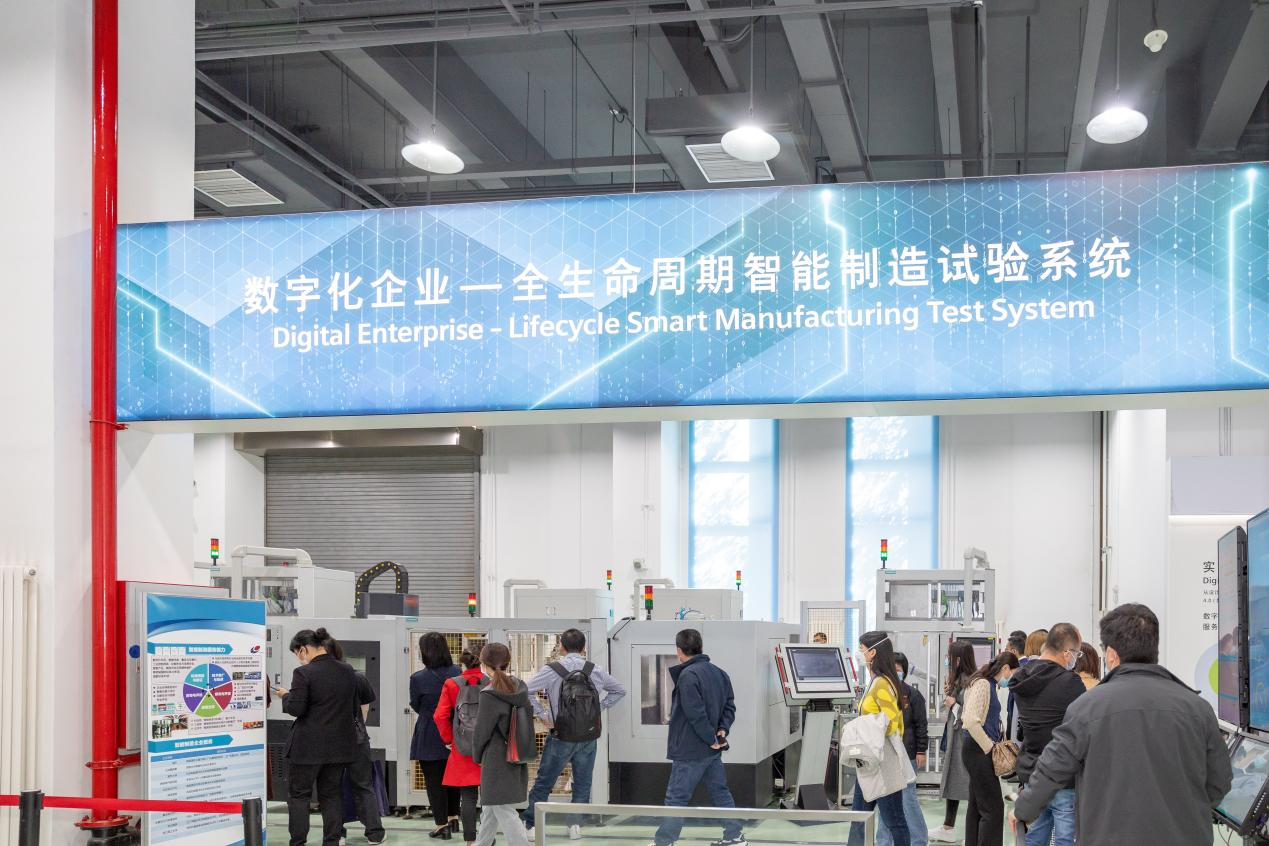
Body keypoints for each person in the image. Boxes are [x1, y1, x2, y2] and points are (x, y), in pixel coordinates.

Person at [1012, 604, 1232, 846]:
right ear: (1154, 648)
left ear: (1111, 654)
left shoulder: (1086, 708)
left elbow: (1052, 768)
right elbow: (1219, 781)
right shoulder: (1198, 709)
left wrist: (1022, 810)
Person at [277, 628, 385, 846]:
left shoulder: (303, 673)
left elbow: (296, 708)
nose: (299, 659)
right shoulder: (347, 671)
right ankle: (332, 841)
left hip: (307, 748)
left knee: (299, 796)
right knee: (331, 795)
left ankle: (298, 842)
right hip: (339, 747)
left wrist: (286, 696)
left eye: (297, 654)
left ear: (303, 649)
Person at [522, 628, 627, 838]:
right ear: (584, 647)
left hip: (560, 734)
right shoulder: (595, 669)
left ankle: (531, 826)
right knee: (583, 782)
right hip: (588, 736)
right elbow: (619, 690)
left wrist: (543, 714)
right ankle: (574, 826)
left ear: (561, 646)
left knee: (545, 780)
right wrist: (598, 708)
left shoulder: (552, 669)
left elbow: (525, 690)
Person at [651, 629, 744, 846]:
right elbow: (729, 706)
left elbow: (695, 713)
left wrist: (710, 738)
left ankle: (664, 841)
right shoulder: (719, 673)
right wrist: (722, 730)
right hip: (712, 750)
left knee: (676, 797)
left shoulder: (688, 676)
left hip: (690, 749)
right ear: (700, 647)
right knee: (720, 792)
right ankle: (734, 836)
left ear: (679, 650)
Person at [1006, 624, 1085, 846]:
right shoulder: (1070, 683)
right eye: (1077, 654)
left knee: (1035, 837)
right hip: (1063, 776)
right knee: (1065, 839)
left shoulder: (1021, 678)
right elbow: (1080, 728)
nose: (1076, 659)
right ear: (1067, 653)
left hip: (1032, 773)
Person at [848, 631, 911, 846]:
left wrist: (864, 729)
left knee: (895, 822)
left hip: (884, 763)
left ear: (873, 652)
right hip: (868, 763)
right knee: (859, 819)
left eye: (862, 649)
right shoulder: (874, 681)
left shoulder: (883, 683)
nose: (859, 653)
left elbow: (892, 723)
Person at [471, 642, 532, 846]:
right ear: (508, 662)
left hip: (496, 758)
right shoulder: (519, 687)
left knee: (502, 808)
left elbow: (482, 731)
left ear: (483, 663)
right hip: (516, 753)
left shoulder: (489, 694)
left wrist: (477, 755)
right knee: (491, 806)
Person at [960, 651, 1019, 846]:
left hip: (975, 749)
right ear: (1005, 668)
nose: (1011, 679)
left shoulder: (988, 684)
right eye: (1012, 674)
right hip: (978, 750)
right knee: (993, 808)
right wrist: (989, 747)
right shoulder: (984, 684)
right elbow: (970, 720)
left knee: (977, 806)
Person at [411, 633, 463, 839]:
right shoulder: (458, 672)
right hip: (455, 730)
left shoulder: (418, 678)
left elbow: (416, 704)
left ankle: (442, 826)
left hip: (429, 732)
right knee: (454, 777)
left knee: (434, 781)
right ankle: (454, 818)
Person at [877, 652, 928, 846]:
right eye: (892, 668)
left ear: (904, 672)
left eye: (898, 669)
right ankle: (884, 841)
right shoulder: (882, 693)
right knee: (885, 799)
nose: (895, 672)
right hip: (886, 754)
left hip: (908, 753)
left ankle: (919, 840)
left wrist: (921, 751)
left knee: (908, 798)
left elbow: (921, 725)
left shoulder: (913, 695)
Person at [435, 650, 484, 846]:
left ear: (462, 665)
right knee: (490, 798)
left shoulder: (452, 684)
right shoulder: (491, 682)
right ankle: (488, 837)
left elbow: (440, 716)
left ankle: (470, 840)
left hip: (463, 745)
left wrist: (449, 739)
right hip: (488, 746)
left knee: (468, 797)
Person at [930, 641, 976, 844]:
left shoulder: (971, 682)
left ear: (958, 658)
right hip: (955, 737)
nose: (947, 660)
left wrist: (954, 704)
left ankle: (970, 833)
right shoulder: (958, 680)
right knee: (954, 781)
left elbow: (972, 714)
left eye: (950, 657)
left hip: (964, 739)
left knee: (968, 784)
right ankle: (948, 827)